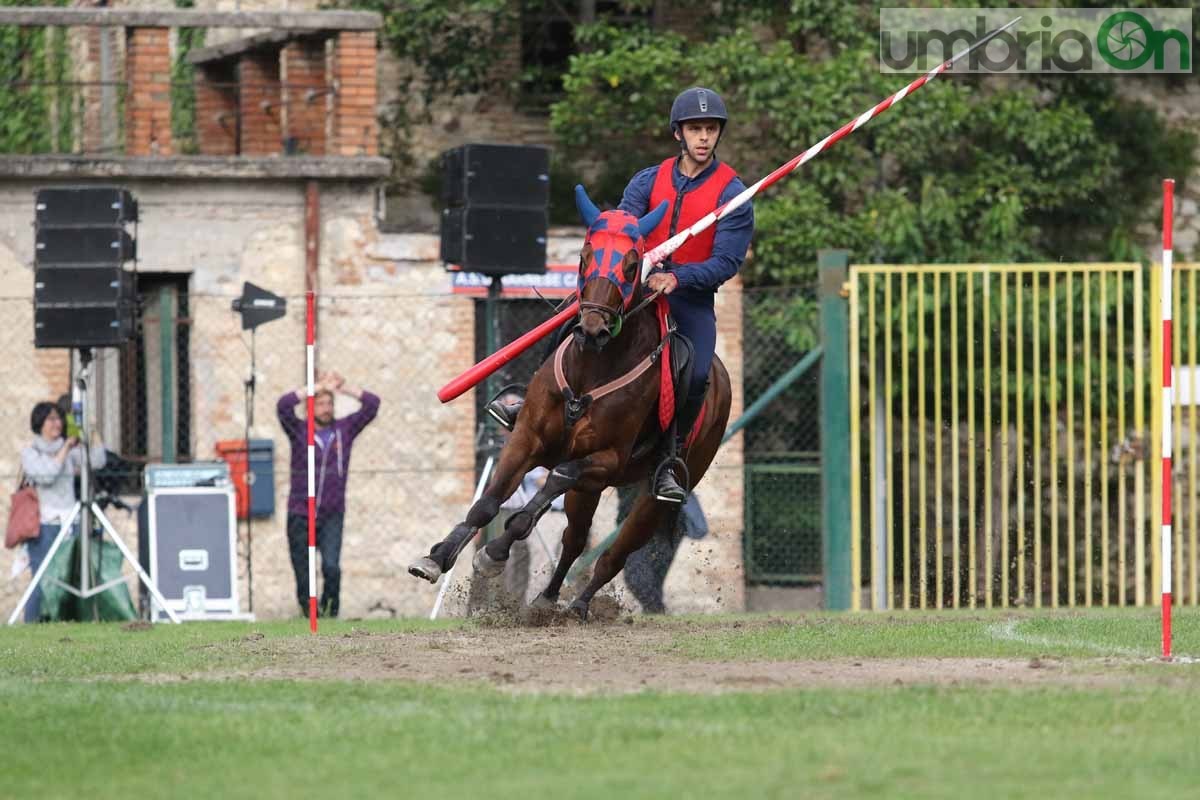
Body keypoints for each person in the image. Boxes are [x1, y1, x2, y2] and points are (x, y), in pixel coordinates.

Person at [486, 86, 754, 504]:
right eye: (695, 129)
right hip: (633, 290)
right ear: (677, 134)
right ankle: (526, 402)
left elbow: (727, 262)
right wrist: (637, 269)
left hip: (689, 302)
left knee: (699, 372)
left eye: (711, 129)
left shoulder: (733, 195)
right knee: (571, 317)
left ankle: (670, 460)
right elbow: (620, 229)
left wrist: (677, 278)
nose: (703, 137)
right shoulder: (648, 180)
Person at [277, 371, 380, 617]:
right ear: (311, 408)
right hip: (300, 511)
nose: (325, 408)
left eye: (328, 403)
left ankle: (331, 611)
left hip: (333, 512)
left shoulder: (344, 430)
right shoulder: (299, 431)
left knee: (331, 567)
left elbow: (372, 404)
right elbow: (283, 406)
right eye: (320, 404)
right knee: (303, 570)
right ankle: (309, 613)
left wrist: (344, 387)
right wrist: (313, 388)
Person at [19, 401, 106, 622]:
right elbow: (46, 476)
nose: (57, 423)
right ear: (40, 423)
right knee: (42, 579)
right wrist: (65, 448)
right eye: (51, 419)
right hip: (45, 525)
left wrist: (94, 432)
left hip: (70, 521)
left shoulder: (69, 449)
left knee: (71, 576)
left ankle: (69, 621)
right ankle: (33, 624)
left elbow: (97, 461)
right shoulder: (31, 452)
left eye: (59, 418)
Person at [618, 486, 708, 613]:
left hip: (670, 523)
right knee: (636, 576)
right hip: (637, 522)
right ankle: (656, 612)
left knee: (652, 577)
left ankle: (655, 614)